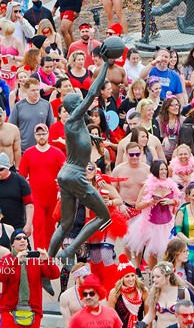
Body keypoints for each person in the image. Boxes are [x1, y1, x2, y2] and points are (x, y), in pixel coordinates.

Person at [47, 39, 122, 266]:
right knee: (104, 216)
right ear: (75, 106)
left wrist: (95, 138)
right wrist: (106, 65)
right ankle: (69, 250)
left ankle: (47, 262)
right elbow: (92, 92)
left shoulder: (77, 125)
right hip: (76, 174)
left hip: (67, 174)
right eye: (81, 102)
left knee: (66, 224)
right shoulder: (73, 118)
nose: (86, 104)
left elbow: (81, 140)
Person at [0, 229, 60, 328]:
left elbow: (54, 275)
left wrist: (47, 259)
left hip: (33, 312)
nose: (22, 240)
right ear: (12, 244)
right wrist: (16, 260)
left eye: (25, 238)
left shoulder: (36, 260)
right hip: (10, 311)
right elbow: (0, 277)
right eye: (18, 238)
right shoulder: (6, 260)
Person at [125, 160, 181, 270]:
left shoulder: (171, 185)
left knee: (170, 251)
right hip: (152, 223)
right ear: (155, 171)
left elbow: (178, 201)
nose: (164, 171)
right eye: (161, 169)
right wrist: (148, 203)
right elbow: (138, 206)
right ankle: (153, 276)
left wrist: (172, 202)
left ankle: (168, 275)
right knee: (153, 253)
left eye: (165, 169)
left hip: (167, 223)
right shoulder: (148, 186)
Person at [19, 123, 65, 249]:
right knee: (38, 226)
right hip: (36, 197)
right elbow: (22, 176)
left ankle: (49, 257)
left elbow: (66, 172)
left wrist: (63, 190)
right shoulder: (28, 153)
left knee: (50, 227)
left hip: (53, 196)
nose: (41, 136)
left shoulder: (57, 152)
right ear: (34, 136)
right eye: (38, 134)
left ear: (48, 134)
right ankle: (38, 255)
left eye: (43, 133)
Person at [136, 262, 194, 328]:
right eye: (153, 277)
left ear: (167, 277)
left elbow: (189, 315)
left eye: (157, 277)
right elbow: (151, 314)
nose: (154, 280)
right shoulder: (155, 292)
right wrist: (142, 323)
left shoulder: (182, 292)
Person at [9, 78, 55, 152]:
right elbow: (12, 127)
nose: (36, 92)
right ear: (26, 90)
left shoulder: (46, 105)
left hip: (42, 147)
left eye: (37, 90)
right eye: (33, 90)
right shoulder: (18, 106)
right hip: (23, 149)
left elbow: (51, 126)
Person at [107, 254, 149, 328]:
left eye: (132, 275)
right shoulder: (115, 292)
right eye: (127, 276)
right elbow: (110, 318)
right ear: (121, 279)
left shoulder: (143, 291)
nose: (131, 279)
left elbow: (148, 316)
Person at [111, 142, 150, 220]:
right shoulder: (118, 170)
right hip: (125, 209)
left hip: (143, 209)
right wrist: (120, 205)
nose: (135, 157)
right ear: (126, 154)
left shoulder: (148, 169)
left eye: (137, 154)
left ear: (141, 153)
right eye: (131, 155)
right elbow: (112, 190)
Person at [59, 263, 91, 328]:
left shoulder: (97, 293)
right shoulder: (66, 296)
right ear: (76, 278)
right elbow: (67, 323)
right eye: (85, 277)